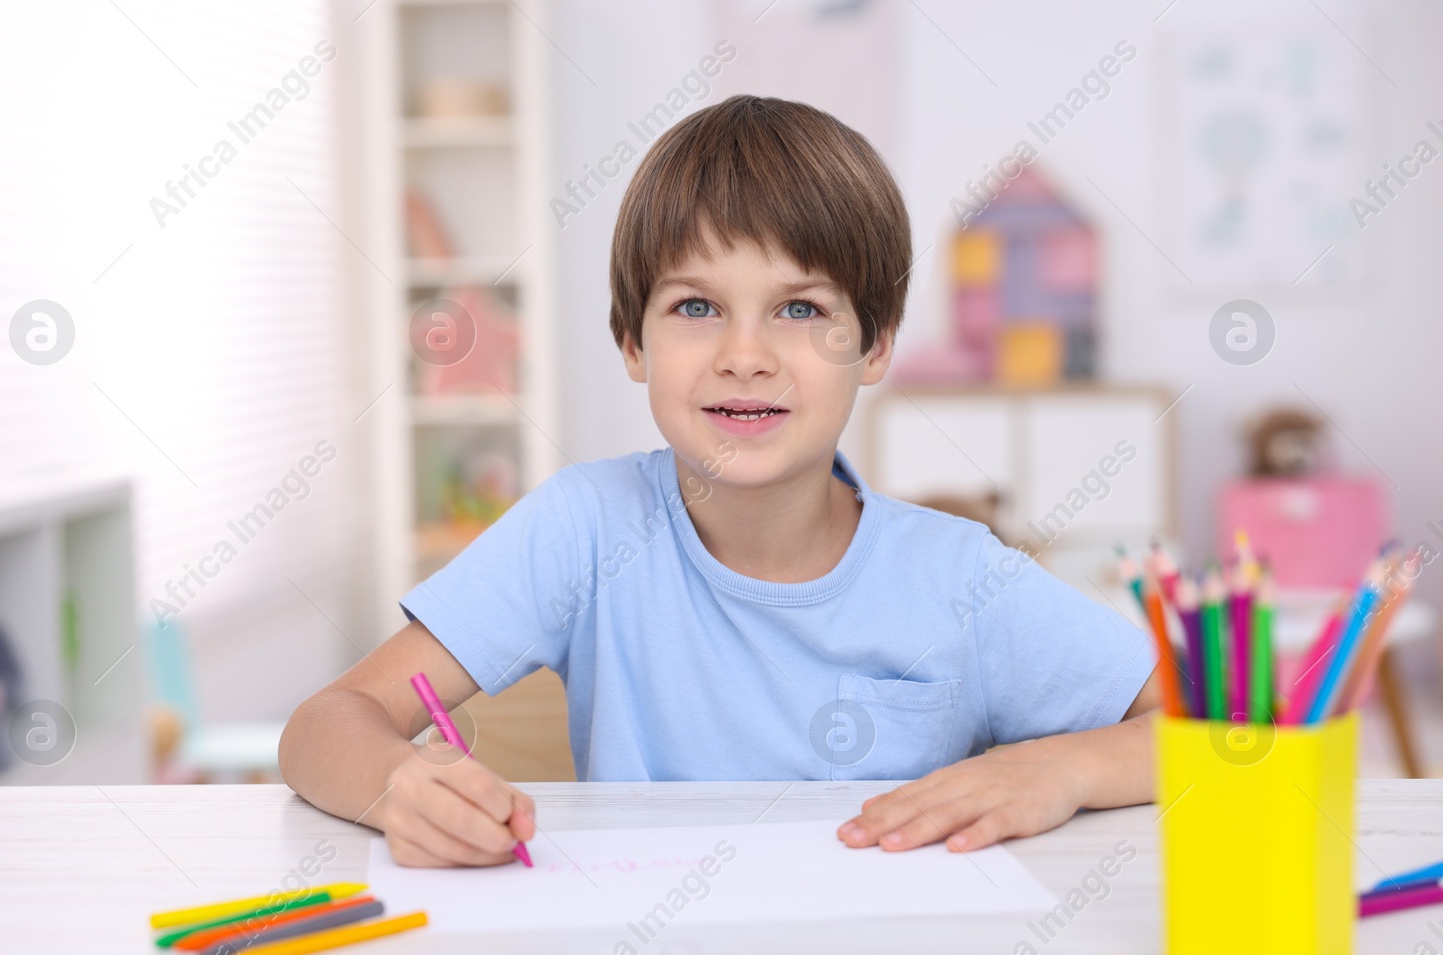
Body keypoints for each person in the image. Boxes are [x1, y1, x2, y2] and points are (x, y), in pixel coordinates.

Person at [279, 95, 1159, 867]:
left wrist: (1063, 766)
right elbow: (323, 723)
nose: (746, 357)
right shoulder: (586, 526)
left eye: (801, 309)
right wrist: (398, 786)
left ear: (876, 342)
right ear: (634, 341)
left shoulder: (962, 576)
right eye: (696, 308)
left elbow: (1229, 735)